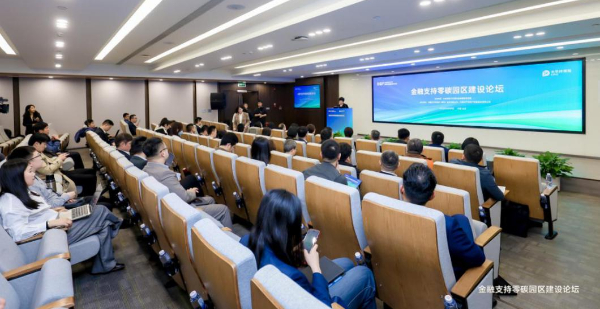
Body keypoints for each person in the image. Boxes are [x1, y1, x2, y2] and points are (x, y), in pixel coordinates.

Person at [241, 190, 376, 309]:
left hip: (284, 292)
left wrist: (290, 252)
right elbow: (322, 305)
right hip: (314, 299)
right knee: (364, 274)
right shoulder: (293, 276)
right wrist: (315, 267)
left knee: (347, 262)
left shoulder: (247, 241)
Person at [0, 159, 124, 275]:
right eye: (30, 171)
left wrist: (56, 211)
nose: (34, 174)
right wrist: (50, 224)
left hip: (58, 223)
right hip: (51, 236)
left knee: (102, 221)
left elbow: (35, 215)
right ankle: (118, 223)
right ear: (17, 177)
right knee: (101, 211)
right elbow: (18, 234)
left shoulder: (22, 192)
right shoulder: (10, 204)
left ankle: (105, 265)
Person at [401, 163, 485, 279]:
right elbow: (479, 258)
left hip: (407, 273)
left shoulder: (385, 213)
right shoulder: (446, 225)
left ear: (402, 189)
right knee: (461, 219)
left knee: (460, 218)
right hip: (446, 281)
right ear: (432, 196)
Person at [142, 138, 233, 228]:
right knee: (223, 209)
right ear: (162, 153)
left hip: (167, 207)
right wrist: (191, 192)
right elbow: (184, 197)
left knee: (210, 199)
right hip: (180, 211)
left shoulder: (146, 169)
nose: (167, 151)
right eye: (166, 149)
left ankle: (211, 229)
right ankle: (226, 236)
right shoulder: (165, 173)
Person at [7, 147, 77, 208]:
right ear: (29, 162)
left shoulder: (34, 176)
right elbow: (47, 206)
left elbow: (50, 195)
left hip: (59, 202)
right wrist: (66, 197)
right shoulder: (30, 184)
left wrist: (62, 197)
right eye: (38, 155)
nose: (42, 158)